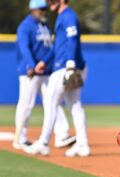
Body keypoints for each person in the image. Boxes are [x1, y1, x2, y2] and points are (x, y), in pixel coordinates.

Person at [25, 0, 89, 157]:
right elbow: (57, 46)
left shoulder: (68, 16)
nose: (49, 3)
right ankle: (83, 145)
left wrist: (70, 64)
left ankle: (44, 143)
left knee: (50, 101)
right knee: (75, 104)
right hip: (70, 65)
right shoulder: (63, 16)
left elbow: (73, 40)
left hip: (65, 66)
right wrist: (44, 62)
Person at [14, 0, 75, 150]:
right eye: (41, 9)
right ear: (32, 10)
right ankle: (20, 138)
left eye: (44, 8)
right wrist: (33, 66)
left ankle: (62, 134)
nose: (44, 11)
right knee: (26, 104)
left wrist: (45, 63)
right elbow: (24, 48)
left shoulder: (45, 25)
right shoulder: (25, 26)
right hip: (30, 71)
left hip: (46, 71)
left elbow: (51, 48)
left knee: (53, 101)